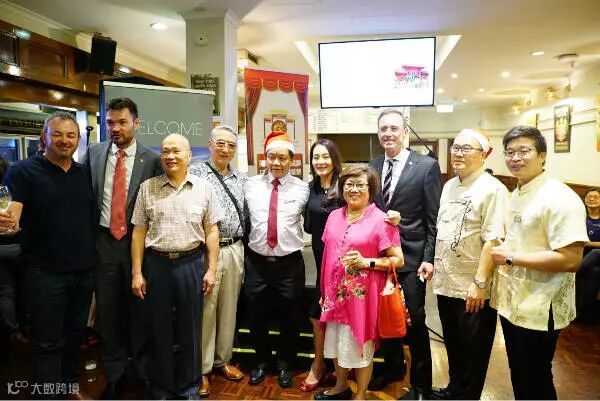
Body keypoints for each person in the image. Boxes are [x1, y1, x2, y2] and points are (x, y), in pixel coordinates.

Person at [0, 111, 96, 394]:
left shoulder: (84, 173)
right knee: (47, 342)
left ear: (78, 140)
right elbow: (12, 217)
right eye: (57, 134)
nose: (64, 140)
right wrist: (6, 223)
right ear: (44, 137)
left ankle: (67, 387)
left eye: (71, 135)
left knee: (75, 336)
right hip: (45, 273)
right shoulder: (22, 171)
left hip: (83, 271)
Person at [490, 125, 588, 400]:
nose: (515, 158)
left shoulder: (559, 197)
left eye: (524, 151)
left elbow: (571, 259)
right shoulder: (518, 191)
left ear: (542, 156)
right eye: (510, 152)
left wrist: (510, 257)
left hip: (541, 305)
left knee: (536, 376)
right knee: (519, 372)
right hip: (513, 301)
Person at [130, 133, 222, 399]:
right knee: (158, 328)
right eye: (165, 151)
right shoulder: (148, 188)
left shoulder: (204, 188)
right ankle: (162, 386)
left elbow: (212, 231)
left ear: (189, 156)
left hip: (191, 264)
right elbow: (138, 232)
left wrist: (211, 269)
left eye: (176, 151)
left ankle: (189, 386)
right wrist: (137, 272)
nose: (170, 156)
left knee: (190, 328)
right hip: (156, 264)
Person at [82, 97, 161, 399]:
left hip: (139, 245)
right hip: (104, 245)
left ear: (136, 123)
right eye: (110, 122)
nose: (115, 128)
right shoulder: (94, 154)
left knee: (140, 311)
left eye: (122, 122)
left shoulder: (152, 160)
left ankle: (142, 371)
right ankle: (114, 374)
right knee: (109, 313)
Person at [368, 109, 441, 399]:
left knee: (415, 320)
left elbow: (433, 219)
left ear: (405, 132)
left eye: (394, 128)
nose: (388, 133)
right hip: (380, 256)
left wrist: (429, 257)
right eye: (383, 128)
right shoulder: (373, 165)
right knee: (384, 314)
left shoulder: (426, 166)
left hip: (412, 257)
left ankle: (422, 385)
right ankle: (393, 368)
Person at [431, 129, 509, 400]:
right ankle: (454, 389)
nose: (458, 153)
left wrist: (479, 283)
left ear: (484, 155)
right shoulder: (449, 185)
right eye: (456, 147)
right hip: (446, 282)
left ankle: (467, 396)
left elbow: (493, 239)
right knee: (453, 342)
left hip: (472, 287)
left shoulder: (493, 189)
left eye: (466, 149)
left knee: (473, 350)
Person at [315, 165, 404, 401]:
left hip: (362, 299)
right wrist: (324, 291)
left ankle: (361, 395)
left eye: (360, 185)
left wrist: (367, 262)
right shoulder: (334, 216)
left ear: (371, 189)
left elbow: (398, 260)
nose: (353, 189)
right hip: (334, 296)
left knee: (360, 347)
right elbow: (327, 256)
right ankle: (341, 386)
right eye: (349, 184)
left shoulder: (382, 220)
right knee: (335, 343)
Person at [244, 131, 309, 388]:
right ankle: (261, 362)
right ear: (265, 158)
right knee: (255, 315)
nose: (277, 163)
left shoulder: (302, 188)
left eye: (283, 158)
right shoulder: (250, 185)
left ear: (291, 160)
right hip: (257, 263)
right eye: (272, 157)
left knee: (290, 317)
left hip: (289, 264)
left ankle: (285, 364)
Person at [189, 125, 246, 397]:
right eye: (220, 144)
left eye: (231, 145)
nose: (225, 149)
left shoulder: (241, 178)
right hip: (207, 252)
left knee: (229, 308)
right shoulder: (196, 173)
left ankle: (222, 360)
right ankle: (202, 368)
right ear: (210, 145)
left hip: (235, 248)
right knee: (207, 309)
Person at [300, 139, 344, 392]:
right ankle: (319, 364)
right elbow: (308, 225)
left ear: (334, 159)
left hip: (344, 261)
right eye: (316, 157)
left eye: (326, 156)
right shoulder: (311, 188)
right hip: (321, 260)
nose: (320, 161)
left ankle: (342, 367)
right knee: (317, 314)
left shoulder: (345, 184)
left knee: (340, 314)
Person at [0, 156, 27, 345]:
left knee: (5, 292)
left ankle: (13, 330)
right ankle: (27, 326)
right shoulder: (9, 190)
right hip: (18, 246)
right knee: (25, 288)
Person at [576, 187, 600, 323]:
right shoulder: (579, 217)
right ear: (584, 200)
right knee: (595, 272)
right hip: (582, 256)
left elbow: (583, 242)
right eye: (589, 197)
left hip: (597, 256)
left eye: (596, 197)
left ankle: (575, 270)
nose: (592, 199)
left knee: (596, 253)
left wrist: (587, 243)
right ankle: (585, 313)